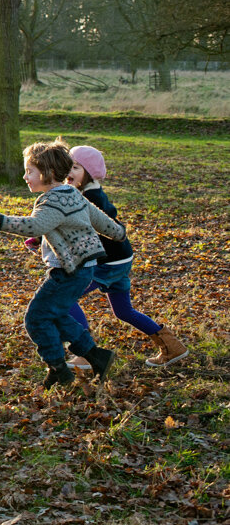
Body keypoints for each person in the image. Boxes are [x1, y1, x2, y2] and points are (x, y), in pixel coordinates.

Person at [0, 138, 126, 390]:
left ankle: (58, 369)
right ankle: (97, 357)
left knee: (36, 318)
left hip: (69, 272)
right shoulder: (71, 194)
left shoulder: (52, 201)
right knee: (57, 314)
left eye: (30, 171)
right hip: (84, 268)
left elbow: (36, 225)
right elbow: (98, 219)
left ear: (48, 173)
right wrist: (118, 232)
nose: (25, 176)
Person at [57, 144, 189, 368]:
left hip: (108, 262)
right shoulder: (88, 193)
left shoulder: (90, 198)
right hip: (120, 259)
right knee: (123, 311)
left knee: (64, 297)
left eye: (76, 167)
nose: (69, 172)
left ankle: (87, 352)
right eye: (68, 166)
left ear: (88, 172)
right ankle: (173, 346)